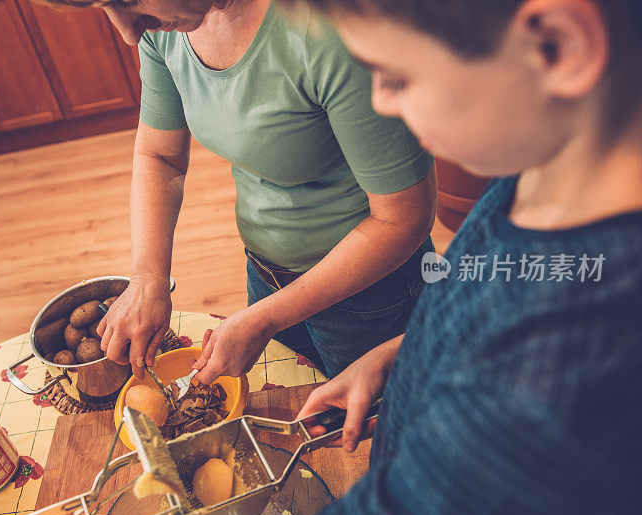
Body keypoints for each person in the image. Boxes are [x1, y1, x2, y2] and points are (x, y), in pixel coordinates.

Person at [279, 0, 642, 515]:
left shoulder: (560, 366)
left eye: (397, 76)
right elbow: (501, 288)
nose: (380, 101)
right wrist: (398, 356)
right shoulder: (544, 167)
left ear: (558, 45)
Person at [57, 0, 438, 382]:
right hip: (264, 274)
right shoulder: (163, 29)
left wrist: (266, 318)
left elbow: (403, 219)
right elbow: (159, 155)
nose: (127, 32)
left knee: (384, 428)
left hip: (371, 295)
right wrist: (148, 277)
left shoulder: (333, 29)